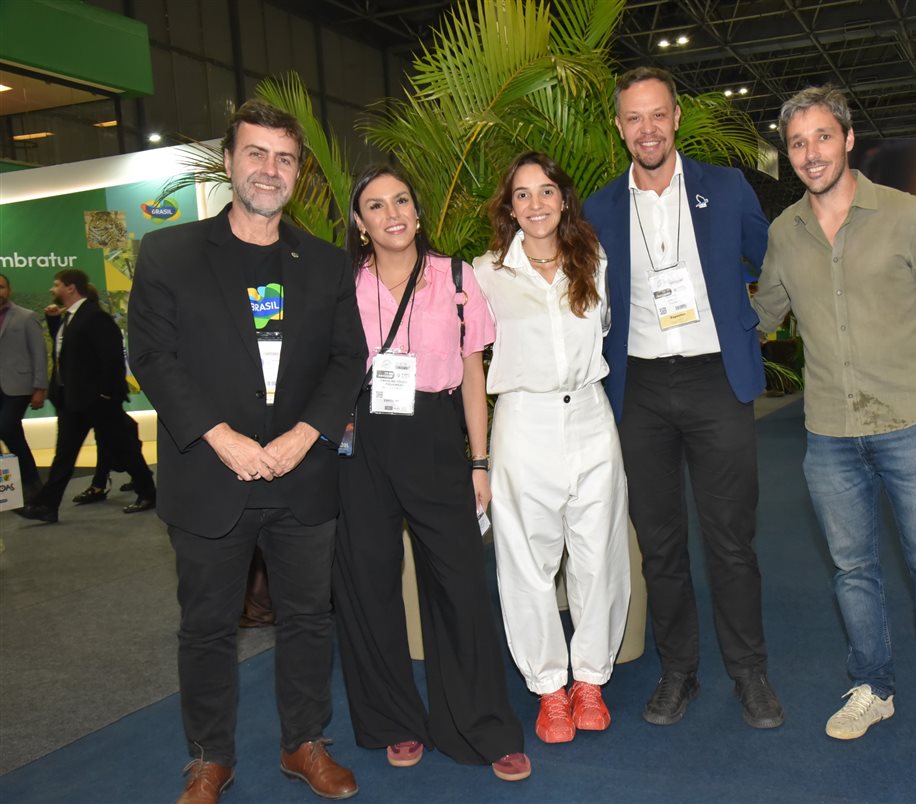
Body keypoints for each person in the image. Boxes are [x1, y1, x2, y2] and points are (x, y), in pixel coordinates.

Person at [127, 100, 365, 804]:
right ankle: (209, 759)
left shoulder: (324, 265)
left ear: (298, 174)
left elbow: (348, 359)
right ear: (229, 162)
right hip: (209, 474)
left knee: (307, 620)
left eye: (285, 158)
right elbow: (153, 356)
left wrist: (302, 437)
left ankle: (305, 743)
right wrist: (221, 438)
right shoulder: (169, 253)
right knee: (205, 627)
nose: (270, 169)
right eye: (256, 154)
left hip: (302, 475)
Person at [752, 85, 916, 755]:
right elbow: (761, 316)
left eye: (822, 137)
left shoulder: (906, 214)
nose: (810, 153)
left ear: (848, 139)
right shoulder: (785, 233)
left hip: (913, 424)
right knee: (853, 571)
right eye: (797, 143)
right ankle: (873, 689)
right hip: (829, 435)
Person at [583, 66, 784, 730]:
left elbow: (765, 260)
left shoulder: (725, 189)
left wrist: (743, 318)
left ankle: (749, 673)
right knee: (661, 543)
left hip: (716, 382)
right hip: (638, 389)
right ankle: (679, 672)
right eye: (633, 118)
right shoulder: (598, 208)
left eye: (658, 114)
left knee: (731, 539)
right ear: (620, 128)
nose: (647, 128)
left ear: (676, 119)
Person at [333, 164, 530, 782]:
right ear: (361, 225)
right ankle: (394, 719)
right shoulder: (344, 285)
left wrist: (479, 459)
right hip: (362, 442)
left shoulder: (456, 276)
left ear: (417, 212)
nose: (391, 213)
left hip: (438, 436)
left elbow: (473, 375)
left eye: (400, 201)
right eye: (374, 206)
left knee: (460, 584)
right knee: (368, 585)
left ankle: (483, 726)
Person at [473, 152, 631, 744]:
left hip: (591, 416)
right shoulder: (485, 273)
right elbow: (468, 363)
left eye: (546, 191)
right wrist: (478, 457)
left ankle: (590, 679)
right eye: (522, 194)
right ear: (508, 207)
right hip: (523, 420)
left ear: (564, 199)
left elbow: (609, 334)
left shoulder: (593, 259)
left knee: (599, 555)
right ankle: (549, 689)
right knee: (527, 563)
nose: (535, 204)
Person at [14, 269, 155, 524]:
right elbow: (69, 354)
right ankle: (47, 506)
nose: (52, 289)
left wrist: (105, 395)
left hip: (96, 401)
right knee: (65, 456)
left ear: (70, 288)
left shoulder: (94, 317)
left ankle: (148, 492)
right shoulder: (70, 318)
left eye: (56, 284)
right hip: (74, 401)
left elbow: (111, 358)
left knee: (124, 449)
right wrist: (54, 322)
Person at [0, 272, 48, 503]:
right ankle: (24, 487)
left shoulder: (26, 317)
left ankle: (31, 482)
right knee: (13, 433)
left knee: (6, 428)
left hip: (18, 387)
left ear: (8, 290)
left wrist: (40, 387)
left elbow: (39, 354)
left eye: (1, 287)